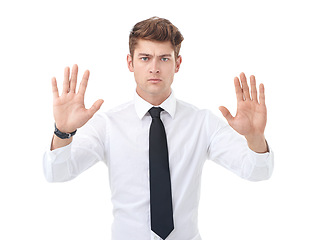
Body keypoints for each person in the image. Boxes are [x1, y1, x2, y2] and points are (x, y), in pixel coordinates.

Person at [43, 17, 274, 240]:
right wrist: (63, 132)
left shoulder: (202, 123)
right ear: (130, 63)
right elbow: (57, 173)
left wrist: (255, 138)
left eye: (164, 59)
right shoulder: (107, 125)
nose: (154, 68)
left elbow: (257, 172)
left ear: (178, 64)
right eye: (145, 58)